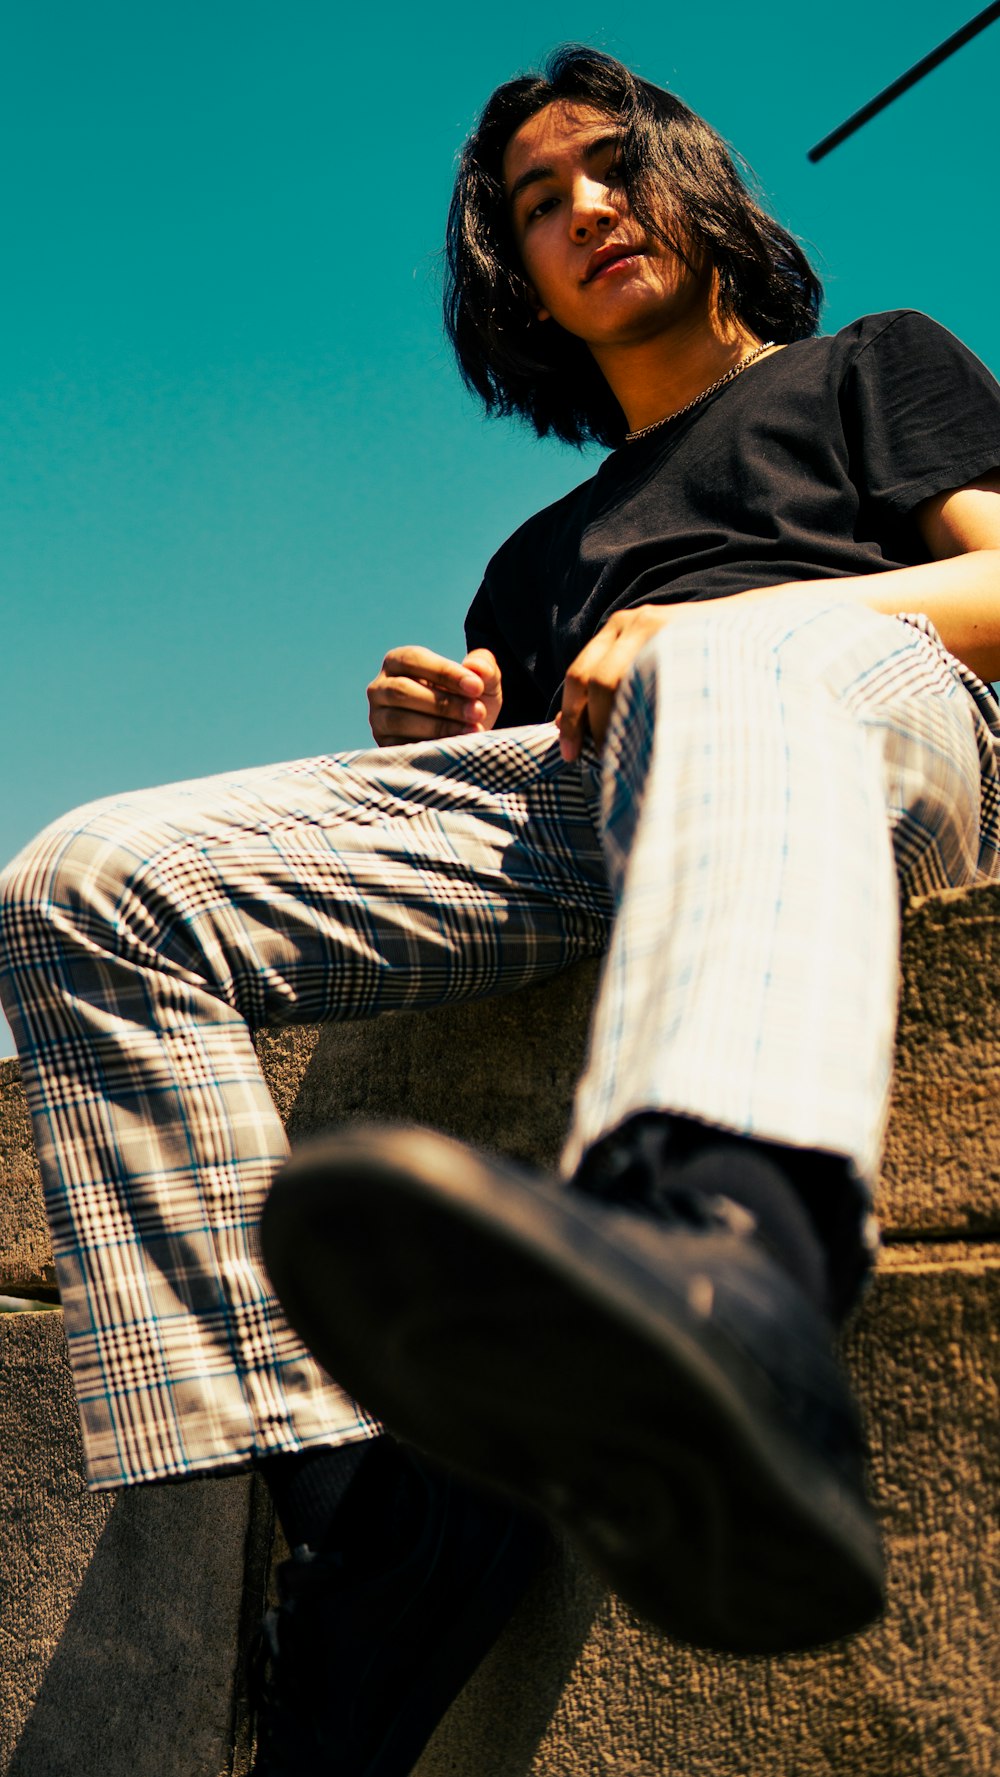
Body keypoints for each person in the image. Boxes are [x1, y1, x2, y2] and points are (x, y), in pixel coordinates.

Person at [3, 40, 1000, 1777]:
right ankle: (365, 1511)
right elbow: (567, 756)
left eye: (614, 166)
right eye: (538, 204)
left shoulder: (870, 367)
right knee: (84, 883)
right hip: (596, 796)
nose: (586, 209)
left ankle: (736, 1271)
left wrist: (712, 634)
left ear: (698, 185)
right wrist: (467, 737)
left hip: (873, 715)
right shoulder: (538, 554)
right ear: (512, 278)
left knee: (745, 665)